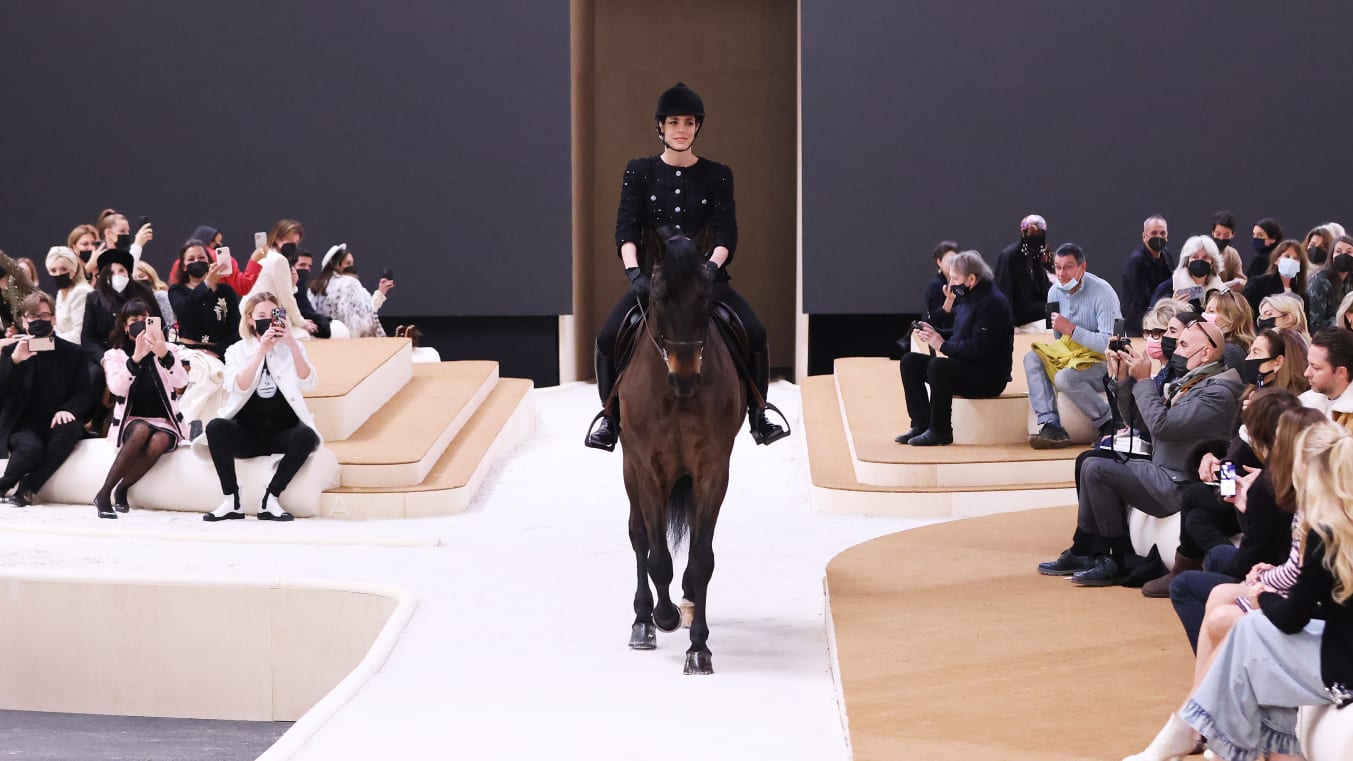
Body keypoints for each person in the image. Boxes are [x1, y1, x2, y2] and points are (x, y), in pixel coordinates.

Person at [1123, 422, 1353, 761]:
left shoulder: (1324, 529)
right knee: (1246, 630)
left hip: (1341, 663)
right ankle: (1205, 734)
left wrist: (1263, 596)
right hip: (1336, 639)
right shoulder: (1334, 521)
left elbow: (1292, 616)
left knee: (1248, 639)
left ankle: (1199, 731)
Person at [587, 82, 787, 450]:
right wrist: (634, 273)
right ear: (660, 126)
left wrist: (709, 269)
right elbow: (626, 228)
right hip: (654, 282)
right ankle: (611, 417)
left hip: (706, 279)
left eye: (689, 122)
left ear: (698, 127)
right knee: (606, 338)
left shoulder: (718, 174)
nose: (682, 129)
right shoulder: (639, 171)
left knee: (756, 332)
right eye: (674, 121)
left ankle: (759, 413)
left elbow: (727, 233)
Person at [1038, 319, 1245, 586]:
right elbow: (1138, 420)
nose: (1176, 350)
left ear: (1206, 353)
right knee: (1089, 461)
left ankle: (1117, 555)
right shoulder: (1193, 379)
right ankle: (1092, 550)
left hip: (1178, 481)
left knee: (1097, 469)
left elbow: (1161, 425)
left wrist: (1145, 380)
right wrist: (1123, 378)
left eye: (1182, 343)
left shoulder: (1219, 392)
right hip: (1163, 468)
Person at [1142, 386, 1302, 599]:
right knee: (1199, 521)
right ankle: (1196, 569)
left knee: (1185, 583)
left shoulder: (1275, 478)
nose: (1249, 358)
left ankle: (1193, 570)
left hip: (1275, 573)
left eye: (1255, 351)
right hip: (1247, 491)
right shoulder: (1259, 395)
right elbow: (1232, 445)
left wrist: (1257, 490)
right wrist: (1211, 454)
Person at [199, 292, 321, 522]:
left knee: (307, 435)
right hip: (247, 432)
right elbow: (239, 385)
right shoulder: (237, 350)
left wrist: (292, 344)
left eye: (273, 315)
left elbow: (309, 381)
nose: (267, 320)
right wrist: (261, 351)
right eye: (261, 315)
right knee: (216, 427)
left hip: (282, 431)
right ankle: (231, 500)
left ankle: (271, 498)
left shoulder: (291, 348)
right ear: (250, 319)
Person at [898, 250, 1014, 446]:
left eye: (954, 278)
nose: (951, 284)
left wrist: (941, 344)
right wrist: (937, 333)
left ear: (971, 278)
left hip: (988, 377)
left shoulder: (993, 303)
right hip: (967, 367)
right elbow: (960, 332)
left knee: (938, 366)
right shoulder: (970, 297)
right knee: (910, 362)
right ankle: (921, 424)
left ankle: (940, 431)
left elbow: (978, 348)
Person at [95, 299, 189, 519]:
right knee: (142, 430)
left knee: (159, 440)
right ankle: (104, 493)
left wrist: (163, 353)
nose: (139, 324)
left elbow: (181, 382)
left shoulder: (169, 349)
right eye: (133, 321)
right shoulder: (115, 355)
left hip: (165, 421)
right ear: (125, 326)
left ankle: (123, 488)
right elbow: (117, 388)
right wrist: (136, 357)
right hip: (131, 420)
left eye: (144, 320)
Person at [1025, 243, 1123, 448]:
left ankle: (1109, 422)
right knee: (1032, 357)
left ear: (1082, 267)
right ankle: (1050, 424)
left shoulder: (1104, 293)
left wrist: (1072, 329)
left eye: (1068, 267)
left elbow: (1111, 343)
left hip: (1106, 360)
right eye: (1057, 267)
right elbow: (1058, 339)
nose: (1061, 273)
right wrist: (1066, 335)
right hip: (1072, 354)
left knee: (1065, 378)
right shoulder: (1053, 293)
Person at [0, 293, 92, 506]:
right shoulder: (13, 351)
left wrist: (69, 409)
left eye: (44, 315)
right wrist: (14, 362)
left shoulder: (73, 352)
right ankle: (6, 484)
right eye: (33, 316)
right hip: (23, 424)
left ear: (54, 318)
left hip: (56, 420)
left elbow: (85, 392)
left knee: (70, 428)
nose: (39, 320)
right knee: (31, 449)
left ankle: (27, 487)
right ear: (24, 320)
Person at [81, 248, 162, 366]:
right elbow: (88, 338)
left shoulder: (144, 292)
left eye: (121, 270)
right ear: (103, 275)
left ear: (128, 272)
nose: (117, 276)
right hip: (108, 355)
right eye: (111, 273)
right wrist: (104, 360)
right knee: (95, 377)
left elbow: (159, 325)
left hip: (145, 352)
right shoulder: (94, 299)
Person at [168, 239, 240, 358]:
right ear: (184, 266)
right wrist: (205, 285)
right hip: (188, 352)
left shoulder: (226, 291)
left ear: (209, 262)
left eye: (201, 258)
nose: (197, 261)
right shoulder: (176, 291)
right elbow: (184, 312)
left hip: (218, 354)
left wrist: (219, 352)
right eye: (191, 259)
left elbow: (235, 329)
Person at [307, 243, 388, 338]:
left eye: (352, 263)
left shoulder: (314, 287)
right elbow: (362, 321)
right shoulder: (350, 283)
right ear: (336, 264)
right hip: (348, 344)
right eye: (348, 263)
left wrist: (380, 293)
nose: (352, 267)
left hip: (321, 342)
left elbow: (363, 309)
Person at [993, 214, 1054, 331]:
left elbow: (1044, 288)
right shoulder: (1009, 256)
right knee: (1056, 309)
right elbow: (1004, 293)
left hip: (1033, 307)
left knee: (1060, 308)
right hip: (1017, 313)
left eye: (1039, 233)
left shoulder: (1037, 255)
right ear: (1023, 233)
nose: (1035, 238)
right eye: (1031, 233)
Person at [1120, 215, 1172, 337]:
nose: (1159, 237)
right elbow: (1143, 300)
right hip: (1139, 326)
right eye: (1154, 233)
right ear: (1144, 236)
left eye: (1162, 233)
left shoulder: (1166, 255)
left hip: (1160, 319)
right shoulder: (1136, 262)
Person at [1150, 235, 1225, 311]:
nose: (1200, 261)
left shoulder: (1222, 290)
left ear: (1212, 262)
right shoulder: (1167, 288)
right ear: (1187, 261)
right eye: (1195, 257)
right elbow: (1151, 319)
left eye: (1205, 257)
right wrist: (1172, 308)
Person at [1300, 328, 1353, 432]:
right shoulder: (1304, 401)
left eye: (1315, 367)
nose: (1306, 373)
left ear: (1341, 372)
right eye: (1308, 364)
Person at [1243, 239, 1308, 315]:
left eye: (1296, 259)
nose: (1291, 261)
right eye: (1287, 256)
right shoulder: (1259, 284)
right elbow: (1246, 312)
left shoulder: (1301, 292)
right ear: (1276, 260)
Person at [44, 246, 92, 344]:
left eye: (64, 269)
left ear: (73, 270)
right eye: (53, 270)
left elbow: (81, 336)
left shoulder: (81, 292)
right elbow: (59, 330)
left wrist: (45, 343)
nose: (58, 274)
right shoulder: (61, 293)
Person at [1306, 234, 1353, 330]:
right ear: (1331, 255)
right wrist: (1343, 322)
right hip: (1326, 338)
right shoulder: (1319, 281)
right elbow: (1315, 324)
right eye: (1338, 251)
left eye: (1349, 252)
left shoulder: (1350, 279)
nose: (1343, 255)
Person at [1202, 289, 1254, 371]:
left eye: (1211, 311)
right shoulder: (1222, 344)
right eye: (1205, 310)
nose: (1204, 315)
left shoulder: (1229, 350)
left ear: (1231, 318)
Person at [289, 250, 332, 338]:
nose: (307, 269)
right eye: (302, 265)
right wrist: (302, 323)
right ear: (291, 267)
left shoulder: (300, 285)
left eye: (309, 266)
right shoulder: (281, 287)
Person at [1206, 210, 1247, 291]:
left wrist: (1239, 283)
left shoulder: (1232, 254)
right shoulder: (1202, 250)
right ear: (1212, 232)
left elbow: (1241, 278)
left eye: (1226, 235)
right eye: (1218, 234)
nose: (1221, 238)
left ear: (1233, 235)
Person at [133, 260, 176, 329]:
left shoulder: (160, 295)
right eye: (134, 279)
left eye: (141, 276)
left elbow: (168, 322)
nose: (138, 281)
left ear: (150, 277)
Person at [923, 240, 960, 320]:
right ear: (939, 262)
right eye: (950, 260)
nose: (953, 264)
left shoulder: (958, 283)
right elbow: (934, 317)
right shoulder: (935, 285)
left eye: (956, 260)